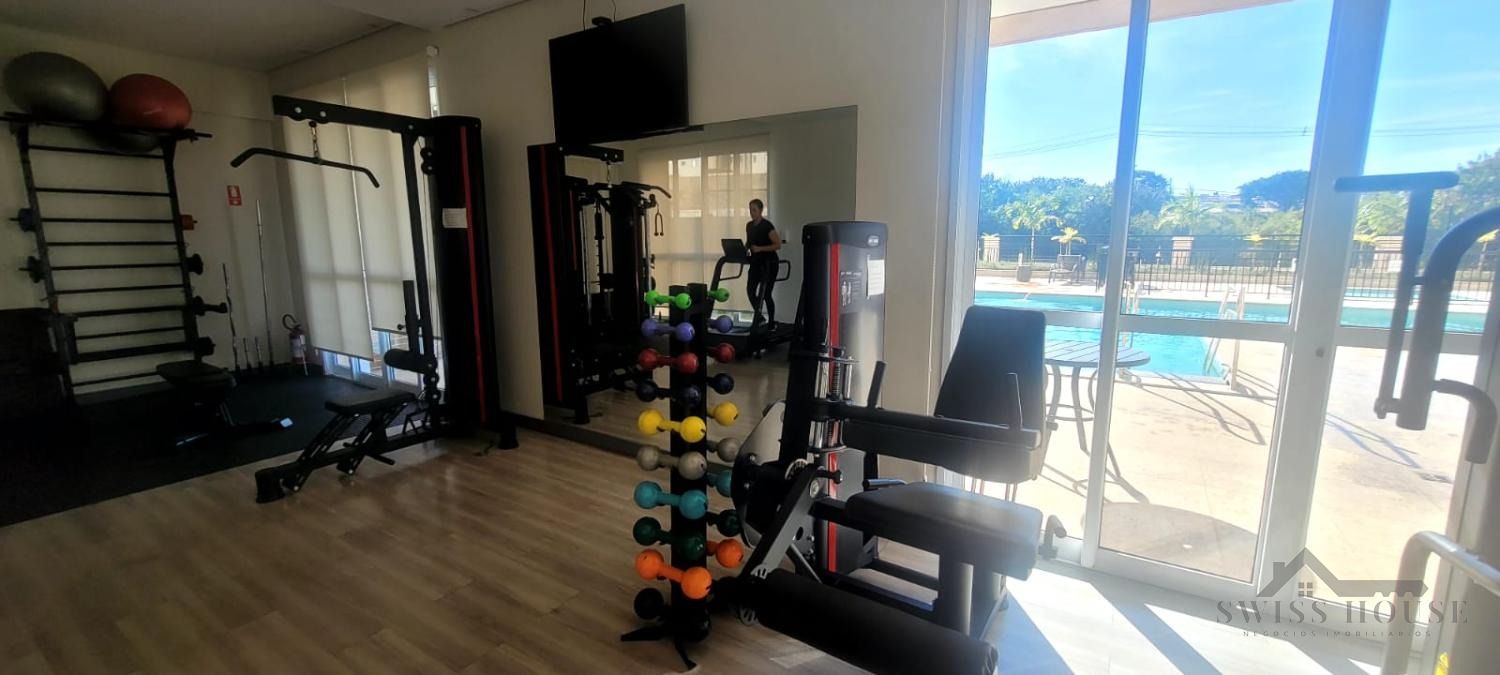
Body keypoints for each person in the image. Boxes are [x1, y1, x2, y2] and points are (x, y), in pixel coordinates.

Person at [744, 198, 782, 329]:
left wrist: (760, 248)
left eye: (754, 210)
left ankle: (771, 323)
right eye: (750, 210)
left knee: (766, 294)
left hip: (769, 263)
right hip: (756, 263)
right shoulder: (749, 226)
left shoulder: (767, 226)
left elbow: (778, 245)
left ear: (761, 210)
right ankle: (760, 318)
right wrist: (744, 250)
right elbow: (749, 243)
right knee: (750, 291)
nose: (751, 212)